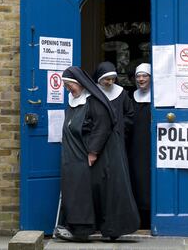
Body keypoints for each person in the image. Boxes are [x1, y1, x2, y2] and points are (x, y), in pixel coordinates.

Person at [54, 66, 139, 242]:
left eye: (70, 85)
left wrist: (92, 151)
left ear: (79, 83)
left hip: (96, 155)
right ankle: (81, 228)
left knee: (102, 192)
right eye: (65, 86)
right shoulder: (74, 100)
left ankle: (102, 229)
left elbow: (103, 126)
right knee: (83, 192)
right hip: (77, 156)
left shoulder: (94, 101)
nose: (67, 89)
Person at [128, 63, 151, 229]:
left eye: (145, 76)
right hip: (134, 146)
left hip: (151, 145)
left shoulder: (158, 97)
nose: (141, 79)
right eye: (138, 76)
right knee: (136, 178)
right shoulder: (130, 96)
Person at [93, 61, 134, 142]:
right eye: (107, 79)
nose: (111, 82)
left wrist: (120, 127)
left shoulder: (121, 92)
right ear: (99, 78)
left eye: (113, 79)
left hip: (117, 137)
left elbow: (130, 113)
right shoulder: (92, 93)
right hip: (96, 137)